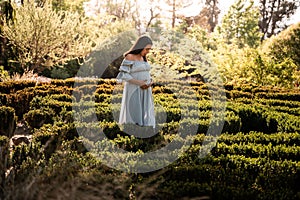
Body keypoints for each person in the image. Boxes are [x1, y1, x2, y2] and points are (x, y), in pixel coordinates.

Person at [116, 35, 155, 134]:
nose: (148, 51)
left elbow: (146, 72)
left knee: (145, 110)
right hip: (134, 88)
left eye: (149, 49)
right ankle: (132, 132)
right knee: (134, 111)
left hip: (145, 89)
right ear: (140, 46)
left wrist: (150, 81)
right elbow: (123, 74)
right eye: (147, 49)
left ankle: (144, 133)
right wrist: (139, 83)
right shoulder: (129, 56)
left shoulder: (143, 58)